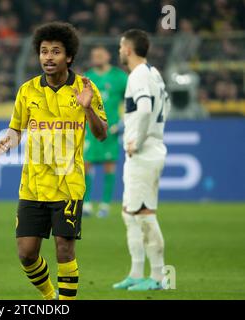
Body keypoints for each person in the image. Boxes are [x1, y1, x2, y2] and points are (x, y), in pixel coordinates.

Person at [0, 22, 107, 300]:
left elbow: (101, 133)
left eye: (55, 52)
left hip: (68, 183)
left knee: (64, 249)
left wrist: (88, 109)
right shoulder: (28, 90)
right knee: (26, 253)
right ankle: (50, 297)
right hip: (32, 185)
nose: (48, 57)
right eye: (44, 51)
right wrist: (9, 139)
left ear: (68, 57)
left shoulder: (85, 87)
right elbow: (16, 128)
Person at [113, 29, 170, 291]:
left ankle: (158, 278)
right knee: (130, 214)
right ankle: (136, 272)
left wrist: (140, 139)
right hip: (148, 149)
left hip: (143, 152)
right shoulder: (154, 73)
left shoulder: (137, 76)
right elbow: (165, 106)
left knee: (144, 214)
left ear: (127, 49)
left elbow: (145, 109)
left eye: (120, 48)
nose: (119, 52)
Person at [82, 46, 127, 218]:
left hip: (111, 129)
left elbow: (132, 99)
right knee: (86, 165)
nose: (97, 57)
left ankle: (105, 205)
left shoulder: (120, 77)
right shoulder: (87, 78)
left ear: (108, 56)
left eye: (100, 54)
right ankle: (86, 204)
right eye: (94, 55)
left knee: (109, 165)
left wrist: (124, 122)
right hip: (90, 129)